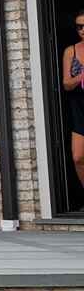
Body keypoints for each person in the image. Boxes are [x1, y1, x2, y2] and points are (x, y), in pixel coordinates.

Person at [62, 10, 84, 193]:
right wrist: (81, 77)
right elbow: (67, 83)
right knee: (78, 157)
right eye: (79, 26)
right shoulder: (71, 51)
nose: (83, 29)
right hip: (79, 107)